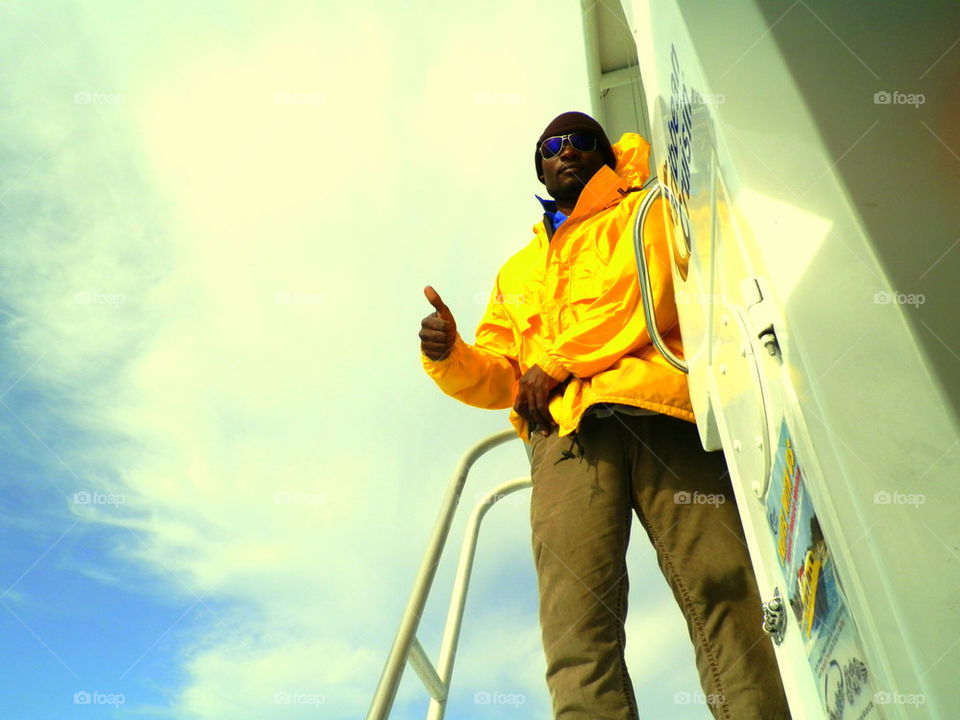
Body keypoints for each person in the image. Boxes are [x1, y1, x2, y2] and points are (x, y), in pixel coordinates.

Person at [418, 111, 791, 720]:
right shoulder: (516, 271)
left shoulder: (645, 210)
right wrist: (450, 354)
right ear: (540, 165)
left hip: (658, 411)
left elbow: (650, 292)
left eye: (582, 140)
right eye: (551, 146)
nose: (566, 151)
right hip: (565, 442)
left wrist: (561, 360)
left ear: (606, 154)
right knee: (575, 628)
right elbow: (506, 376)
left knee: (724, 587)